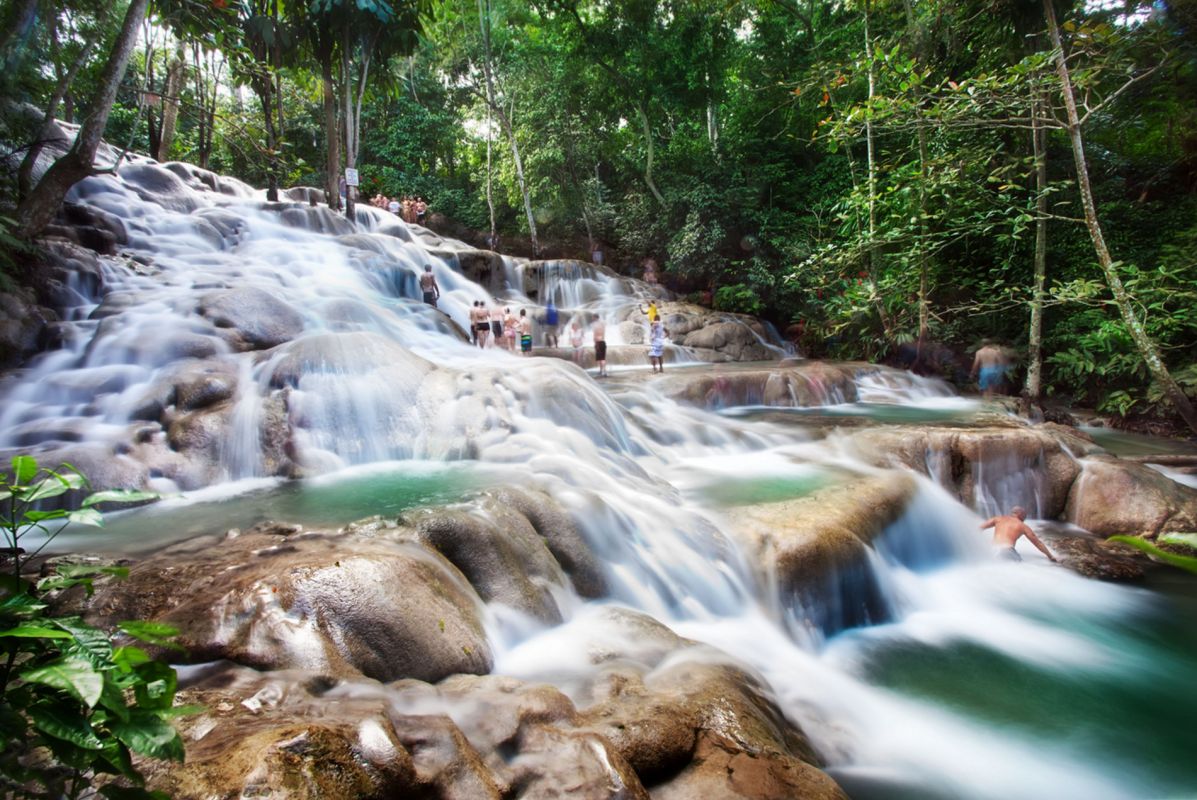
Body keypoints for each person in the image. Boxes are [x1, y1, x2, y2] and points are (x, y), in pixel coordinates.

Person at [979, 506, 1059, 563]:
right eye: (1025, 515)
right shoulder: (1022, 526)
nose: (1025, 517)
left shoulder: (998, 519)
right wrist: (1050, 556)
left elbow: (980, 528)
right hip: (1006, 551)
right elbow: (1038, 543)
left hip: (991, 550)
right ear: (1019, 513)